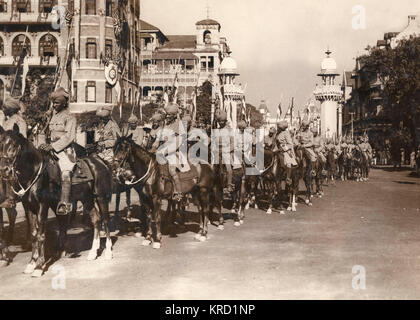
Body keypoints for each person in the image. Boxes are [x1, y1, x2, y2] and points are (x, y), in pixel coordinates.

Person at [39, 87, 76, 215]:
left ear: (64, 103)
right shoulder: (52, 117)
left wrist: (53, 147)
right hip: (50, 149)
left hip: (65, 151)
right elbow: (45, 132)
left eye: (57, 103)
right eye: (53, 103)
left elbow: (69, 137)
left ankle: (64, 203)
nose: (54, 105)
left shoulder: (70, 117)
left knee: (65, 173)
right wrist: (44, 144)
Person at [151, 103, 187, 201]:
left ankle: (178, 192)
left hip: (176, 151)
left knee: (172, 170)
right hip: (162, 150)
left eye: (170, 115)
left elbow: (179, 141)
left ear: (175, 115)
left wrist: (166, 151)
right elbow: (159, 137)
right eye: (167, 114)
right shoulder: (165, 124)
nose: (167, 116)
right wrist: (154, 146)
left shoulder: (180, 124)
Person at [212, 109, 234, 193]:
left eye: (222, 121)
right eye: (219, 121)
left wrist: (227, 150)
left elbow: (233, 143)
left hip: (226, 151)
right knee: (212, 169)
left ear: (225, 121)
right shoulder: (216, 131)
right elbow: (214, 142)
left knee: (228, 168)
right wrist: (213, 149)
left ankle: (229, 184)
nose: (220, 123)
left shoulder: (229, 130)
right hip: (217, 152)